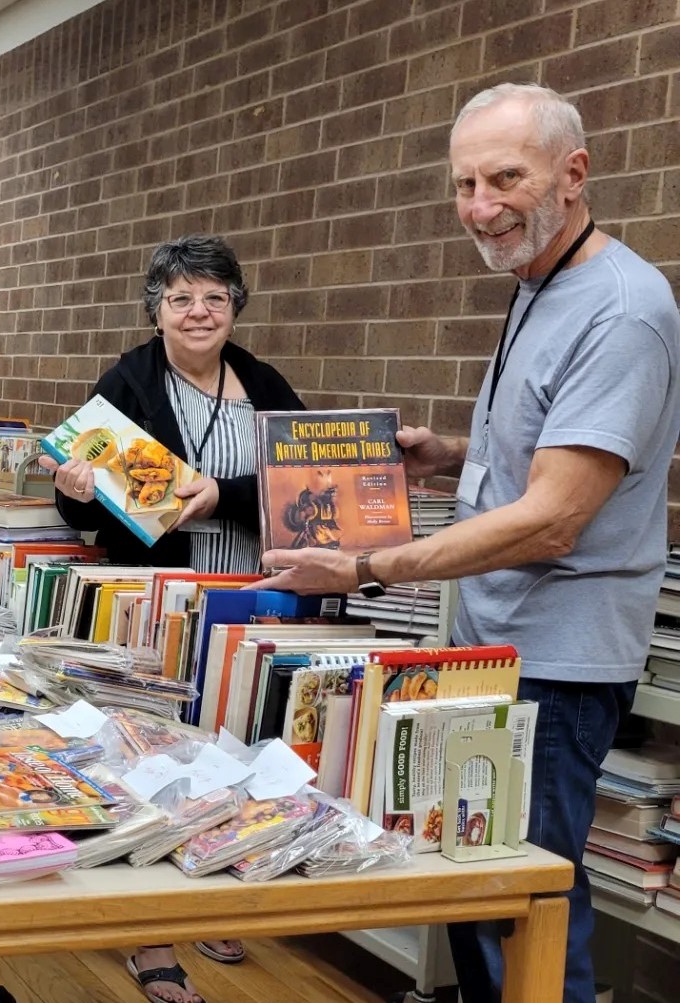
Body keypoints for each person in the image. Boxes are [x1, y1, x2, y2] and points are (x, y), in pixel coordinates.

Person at [254, 83, 680, 1003]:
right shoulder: (537, 281)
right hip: (495, 647)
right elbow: (541, 455)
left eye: (504, 178)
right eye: (463, 184)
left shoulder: (624, 307)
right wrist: (451, 455)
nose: (480, 208)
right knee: (473, 889)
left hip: (554, 666)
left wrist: (363, 566)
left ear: (574, 175)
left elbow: (554, 517)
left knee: (522, 901)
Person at [45, 234, 305, 1003]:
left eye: (215, 298)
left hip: (253, 596)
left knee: (241, 750)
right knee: (156, 758)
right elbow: (77, 505)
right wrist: (75, 485)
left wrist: (223, 493)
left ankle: (211, 889)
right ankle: (150, 937)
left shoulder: (262, 381)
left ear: (235, 308)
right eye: (181, 298)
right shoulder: (129, 378)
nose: (199, 312)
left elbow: (302, 480)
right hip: (158, 601)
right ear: (155, 309)